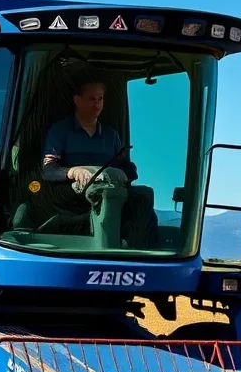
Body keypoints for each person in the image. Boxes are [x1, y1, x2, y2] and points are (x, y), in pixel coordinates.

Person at [39, 79, 158, 248]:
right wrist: (73, 172)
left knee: (144, 196)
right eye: (91, 99)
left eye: (100, 99)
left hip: (109, 188)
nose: (97, 104)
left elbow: (125, 168)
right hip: (70, 194)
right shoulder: (60, 131)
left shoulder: (111, 136)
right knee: (105, 196)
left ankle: (143, 254)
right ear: (77, 100)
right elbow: (48, 171)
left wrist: (125, 173)